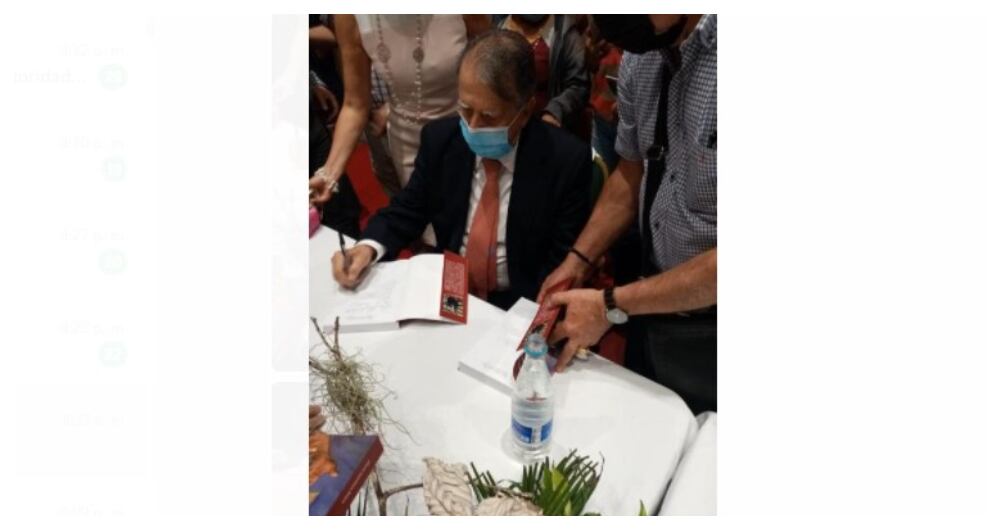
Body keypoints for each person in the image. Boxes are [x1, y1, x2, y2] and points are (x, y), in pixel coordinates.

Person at [332, 30, 592, 311]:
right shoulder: (442, 140)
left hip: (519, 300)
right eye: (466, 110)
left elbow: (560, 262)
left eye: (489, 116)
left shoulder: (565, 161)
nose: (474, 126)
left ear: (526, 110)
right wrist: (367, 247)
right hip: (452, 286)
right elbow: (407, 210)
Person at [540, 15, 717, 414]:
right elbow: (630, 172)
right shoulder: (643, 53)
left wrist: (610, 305)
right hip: (650, 295)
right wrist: (578, 260)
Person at [309, 14, 491, 208]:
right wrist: (329, 173)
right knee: (426, 223)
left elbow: (492, 60)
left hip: (469, 127)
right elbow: (355, 104)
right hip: (409, 143)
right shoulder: (350, 16)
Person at [497, 15, 590, 135]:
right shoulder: (501, 28)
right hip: (505, 127)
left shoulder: (564, 33)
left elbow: (579, 85)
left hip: (545, 129)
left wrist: (554, 112)